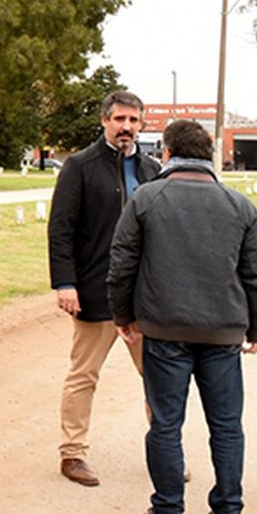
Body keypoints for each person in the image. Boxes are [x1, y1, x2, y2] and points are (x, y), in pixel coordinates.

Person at [107, 119, 257, 514]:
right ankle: (229, 510)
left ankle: (167, 511)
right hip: (223, 331)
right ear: (209, 156)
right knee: (227, 424)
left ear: (166, 151)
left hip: (164, 328)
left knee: (165, 422)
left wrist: (123, 315)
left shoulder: (146, 198)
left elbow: (121, 264)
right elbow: (256, 273)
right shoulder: (240, 206)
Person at [48, 90, 161, 486]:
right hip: (95, 292)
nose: (126, 127)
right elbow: (60, 228)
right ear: (105, 121)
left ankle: (164, 453)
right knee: (84, 375)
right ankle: (72, 454)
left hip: (143, 297)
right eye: (119, 120)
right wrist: (65, 283)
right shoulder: (79, 166)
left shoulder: (152, 169)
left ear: (142, 124)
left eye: (133, 120)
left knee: (158, 377)